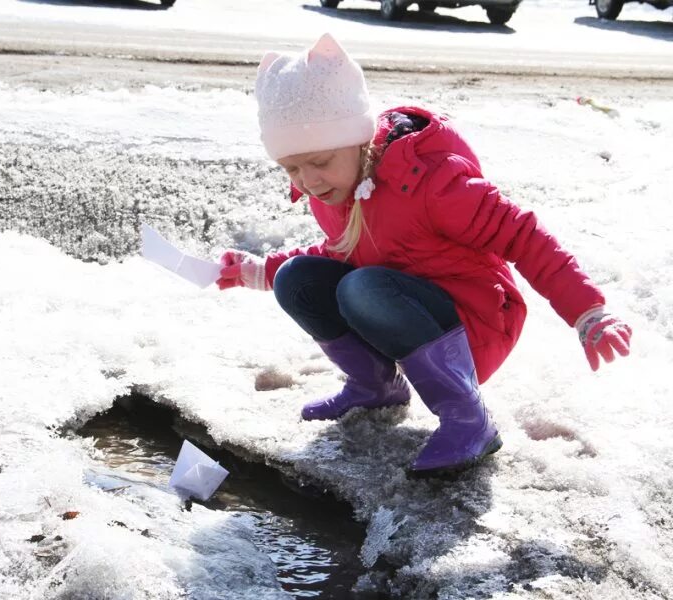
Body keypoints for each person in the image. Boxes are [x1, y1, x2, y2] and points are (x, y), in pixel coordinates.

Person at [216, 33, 631, 477]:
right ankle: (376, 387)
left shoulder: (434, 182)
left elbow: (524, 235)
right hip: (393, 308)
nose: (309, 180)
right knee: (298, 278)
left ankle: (469, 419)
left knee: (362, 286)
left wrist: (588, 312)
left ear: (356, 138)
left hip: (475, 323)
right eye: (293, 168)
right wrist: (260, 271)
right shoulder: (333, 190)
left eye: (319, 161)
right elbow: (345, 250)